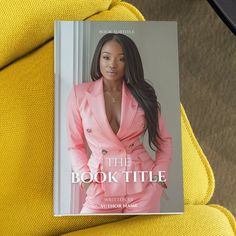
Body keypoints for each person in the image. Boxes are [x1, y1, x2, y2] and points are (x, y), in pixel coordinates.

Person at [67, 33, 172, 214]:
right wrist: (86, 180)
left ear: (129, 62)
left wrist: (158, 179)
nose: (112, 65)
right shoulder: (79, 94)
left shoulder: (142, 94)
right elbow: (74, 144)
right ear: (98, 58)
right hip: (100, 187)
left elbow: (165, 140)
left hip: (142, 186)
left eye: (121, 59)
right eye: (106, 57)